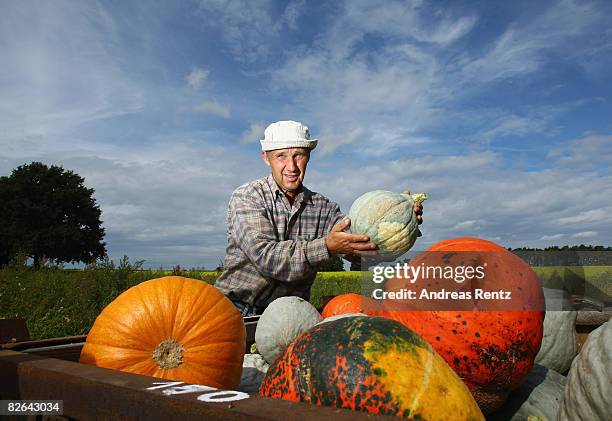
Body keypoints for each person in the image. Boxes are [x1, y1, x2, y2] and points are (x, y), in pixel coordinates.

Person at [214, 120, 423, 316]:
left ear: (308, 157)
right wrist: (328, 247)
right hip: (234, 309)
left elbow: (360, 243)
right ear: (266, 158)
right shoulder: (248, 196)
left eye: (298, 155)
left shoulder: (325, 208)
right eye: (281, 156)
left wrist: (399, 222)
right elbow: (267, 258)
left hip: (293, 316)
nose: (292, 166)